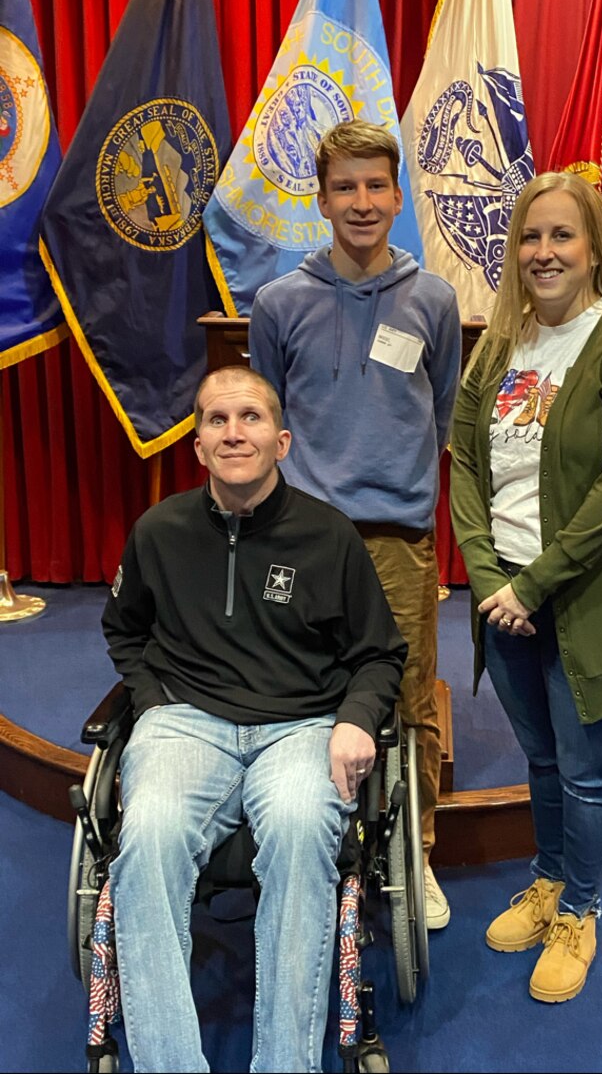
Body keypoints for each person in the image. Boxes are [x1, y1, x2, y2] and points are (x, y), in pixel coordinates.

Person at [102, 366, 406, 1073]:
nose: (234, 432)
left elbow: (380, 655)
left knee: (304, 835)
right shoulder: (159, 531)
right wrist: (154, 704)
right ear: (198, 446)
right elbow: (124, 630)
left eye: (251, 418)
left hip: (301, 725)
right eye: (216, 420)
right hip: (187, 724)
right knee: (145, 838)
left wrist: (357, 719)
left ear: (282, 440)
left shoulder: (330, 538)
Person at [449, 171, 602, 1003]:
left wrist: (536, 584)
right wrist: (487, 578)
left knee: (587, 770)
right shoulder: (500, 344)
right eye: (529, 237)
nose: (543, 252)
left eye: (561, 236)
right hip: (503, 597)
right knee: (541, 758)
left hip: (587, 600)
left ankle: (580, 910)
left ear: (594, 249)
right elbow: (467, 467)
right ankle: (548, 880)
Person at [249, 119, 462, 929]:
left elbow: (439, 412)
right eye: (346, 187)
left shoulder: (433, 299)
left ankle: (419, 851)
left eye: (377, 186)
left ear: (398, 195)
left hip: (398, 537)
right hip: (303, 537)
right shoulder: (279, 302)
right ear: (322, 197)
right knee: (304, 692)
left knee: (407, 700)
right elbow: (270, 417)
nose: (362, 202)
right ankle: (311, 839)